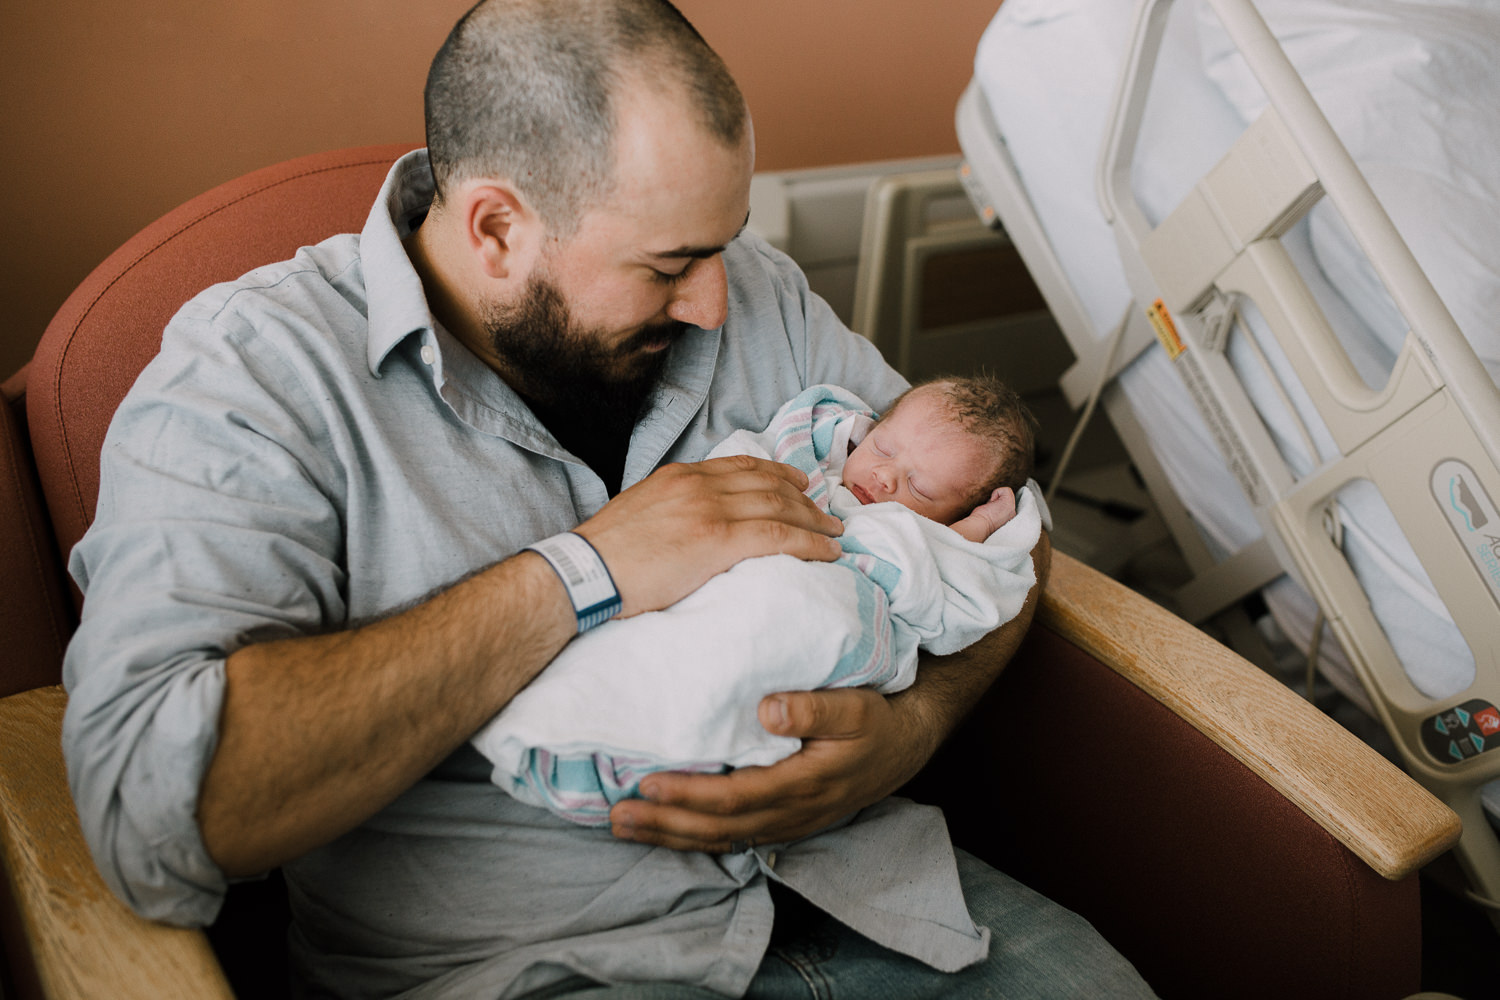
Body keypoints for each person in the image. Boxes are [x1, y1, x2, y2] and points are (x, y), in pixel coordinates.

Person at [61, 0, 1157, 996]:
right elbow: (155, 811)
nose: (721, 301)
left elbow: (995, 521)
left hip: (872, 900)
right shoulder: (255, 378)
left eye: (724, 246)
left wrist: (917, 725)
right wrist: (582, 572)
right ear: (496, 228)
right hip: (537, 965)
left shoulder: (756, 294)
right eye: (671, 263)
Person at [473, 377, 1047, 826]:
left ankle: (630, 754)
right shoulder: (800, 457)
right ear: (864, 427)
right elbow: (731, 473)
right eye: (883, 448)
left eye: (922, 488)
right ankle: (576, 724)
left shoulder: (926, 539)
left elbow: (958, 589)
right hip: (727, 577)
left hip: (818, 604)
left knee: (766, 640)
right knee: (660, 654)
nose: (885, 477)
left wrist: (975, 533)